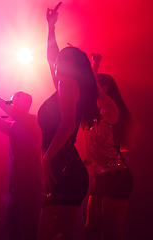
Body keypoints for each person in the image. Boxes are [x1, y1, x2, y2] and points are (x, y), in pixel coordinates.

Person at [38, 4, 100, 240]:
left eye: (65, 58)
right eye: (59, 58)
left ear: (75, 65)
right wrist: (51, 27)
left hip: (64, 169)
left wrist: (46, 159)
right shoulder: (66, 85)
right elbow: (50, 57)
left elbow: (67, 126)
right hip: (60, 168)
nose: (57, 60)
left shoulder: (67, 84)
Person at [0, 74, 44, 240]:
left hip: (31, 187)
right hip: (15, 189)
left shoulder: (35, 122)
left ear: (26, 103)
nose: (11, 103)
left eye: (14, 100)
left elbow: (12, 110)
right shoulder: (13, 127)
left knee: (29, 234)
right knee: (14, 235)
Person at [84, 54, 138, 240]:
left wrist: (94, 64)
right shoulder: (95, 113)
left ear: (103, 88)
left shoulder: (112, 110)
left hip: (117, 176)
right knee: (91, 228)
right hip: (101, 177)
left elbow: (93, 89)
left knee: (111, 230)